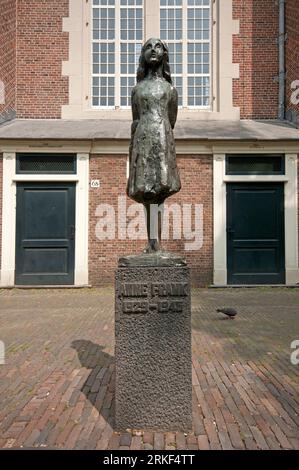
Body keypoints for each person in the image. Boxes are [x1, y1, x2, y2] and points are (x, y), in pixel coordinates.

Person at [127, 38, 181, 253]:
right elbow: (135, 120)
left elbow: (172, 119)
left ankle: (155, 241)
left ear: (164, 54)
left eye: (157, 46)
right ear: (143, 55)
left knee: (160, 191)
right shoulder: (137, 89)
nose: (153, 50)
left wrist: (161, 139)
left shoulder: (169, 89)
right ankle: (152, 241)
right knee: (146, 192)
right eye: (148, 47)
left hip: (162, 140)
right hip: (142, 141)